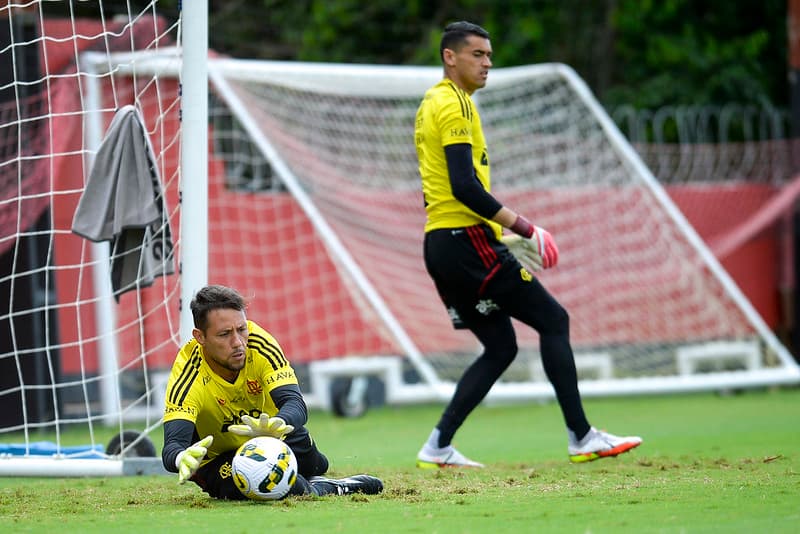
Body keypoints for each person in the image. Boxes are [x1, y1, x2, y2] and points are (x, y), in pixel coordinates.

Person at [413, 21, 642, 468]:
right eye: (477, 54)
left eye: (489, 55)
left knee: (501, 346)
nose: (487, 64)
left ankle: (438, 445)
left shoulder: (430, 103)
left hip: (441, 245)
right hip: (465, 239)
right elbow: (464, 187)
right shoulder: (453, 105)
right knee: (553, 319)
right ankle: (581, 436)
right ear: (450, 57)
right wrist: (525, 228)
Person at [161, 284, 383, 499]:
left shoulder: (259, 344)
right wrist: (182, 458)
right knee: (270, 484)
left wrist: (274, 427)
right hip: (221, 457)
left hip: (274, 437)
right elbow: (172, 446)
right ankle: (327, 488)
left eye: (241, 329)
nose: (238, 342)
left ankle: (310, 478)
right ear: (200, 337)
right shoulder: (188, 375)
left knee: (316, 464)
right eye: (224, 334)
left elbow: (295, 403)